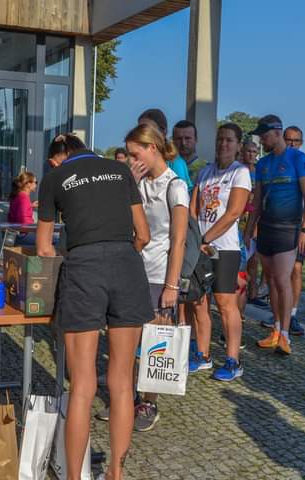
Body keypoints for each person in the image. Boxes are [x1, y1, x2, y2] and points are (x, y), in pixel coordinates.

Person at [36, 134, 153, 480]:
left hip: (83, 268)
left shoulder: (54, 178)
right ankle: (115, 472)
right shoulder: (121, 170)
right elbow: (143, 234)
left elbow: (43, 248)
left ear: (59, 156)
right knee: (122, 382)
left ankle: (75, 476)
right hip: (127, 266)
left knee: (82, 386)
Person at [125, 124, 189, 432]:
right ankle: (127, 398)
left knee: (155, 343)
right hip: (132, 270)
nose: (131, 160)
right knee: (128, 341)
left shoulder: (175, 186)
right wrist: (131, 184)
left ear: (153, 148)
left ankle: (148, 402)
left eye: (135, 154)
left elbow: (179, 240)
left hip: (159, 273)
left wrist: (171, 285)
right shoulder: (138, 182)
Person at [245, 115, 305, 355]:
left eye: (264, 136)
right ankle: (275, 329)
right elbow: (257, 202)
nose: (261, 141)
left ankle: (285, 334)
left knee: (283, 279)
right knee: (272, 280)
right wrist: (249, 230)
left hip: (289, 228)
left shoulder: (298, 159)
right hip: (267, 227)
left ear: (276, 133)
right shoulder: (263, 164)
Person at [189, 123, 251, 381]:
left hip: (224, 248)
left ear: (238, 145)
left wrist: (206, 238)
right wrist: (196, 239)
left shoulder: (240, 172)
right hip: (201, 247)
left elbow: (233, 212)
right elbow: (193, 209)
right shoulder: (204, 172)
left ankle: (233, 360)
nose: (223, 144)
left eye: (229, 140)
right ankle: (202, 355)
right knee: (198, 302)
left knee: (226, 304)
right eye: (220, 139)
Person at [285, 126, 305, 336]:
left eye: (296, 140)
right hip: (278, 224)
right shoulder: (275, 161)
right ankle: (280, 313)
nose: (292, 144)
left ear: (301, 143)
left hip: (298, 225)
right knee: (278, 272)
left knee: (296, 269)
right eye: (289, 140)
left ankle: (292, 314)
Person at [241, 140, 268, 309]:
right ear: (242, 151)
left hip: (255, 218)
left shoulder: (259, 172)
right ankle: (241, 291)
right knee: (242, 257)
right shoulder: (238, 169)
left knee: (254, 259)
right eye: (248, 151)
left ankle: (253, 293)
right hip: (240, 217)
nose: (251, 155)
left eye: (254, 152)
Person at [136, 109, 191, 189]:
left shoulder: (175, 163)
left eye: (146, 130)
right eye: (138, 130)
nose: (141, 134)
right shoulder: (138, 161)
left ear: (163, 131)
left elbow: (181, 192)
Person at [172, 120, 206, 189]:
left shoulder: (206, 168)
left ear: (196, 139)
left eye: (187, 138)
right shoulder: (166, 166)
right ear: (173, 140)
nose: (183, 143)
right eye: (179, 139)